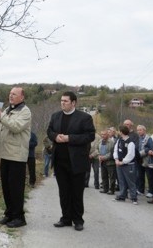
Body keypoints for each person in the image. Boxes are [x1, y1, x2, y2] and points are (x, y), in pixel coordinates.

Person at [47, 91, 96, 231]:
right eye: (61, 100)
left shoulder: (84, 118)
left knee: (76, 192)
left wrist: (70, 138)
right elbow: (49, 131)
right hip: (60, 161)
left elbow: (90, 136)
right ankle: (66, 218)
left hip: (76, 162)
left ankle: (78, 219)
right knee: (64, 191)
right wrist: (55, 137)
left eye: (66, 101)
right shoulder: (55, 116)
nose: (62, 103)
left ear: (74, 103)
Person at [0, 87, 31, 228]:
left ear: (22, 97)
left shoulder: (25, 111)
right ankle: (9, 215)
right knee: (6, 187)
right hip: (5, 154)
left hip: (17, 156)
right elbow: (2, 127)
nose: (11, 96)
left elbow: (16, 127)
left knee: (16, 188)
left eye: (14, 94)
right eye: (10, 93)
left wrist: (0, 115)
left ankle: (19, 217)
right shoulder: (8, 109)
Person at [113, 125, 138, 205]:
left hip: (128, 165)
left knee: (130, 181)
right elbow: (115, 150)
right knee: (121, 181)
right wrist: (116, 159)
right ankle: (122, 196)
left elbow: (131, 155)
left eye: (119, 131)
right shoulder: (119, 140)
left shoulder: (130, 142)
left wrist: (123, 162)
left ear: (121, 132)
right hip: (119, 164)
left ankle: (134, 197)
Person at [97, 129, 116, 195]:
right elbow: (97, 149)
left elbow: (111, 153)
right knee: (104, 176)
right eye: (101, 134)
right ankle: (105, 189)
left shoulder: (111, 142)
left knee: (111, 177)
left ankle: (111, 190)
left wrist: (103, 157)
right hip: (102, 162)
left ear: (107, 135)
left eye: (104, 134)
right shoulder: (100, 141)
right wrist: (99, 156)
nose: (103, 136)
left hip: (110, 162)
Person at [136, 125, 151, 196]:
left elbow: (148, 148)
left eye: (140, 130)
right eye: (138, 130)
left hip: (147, 159)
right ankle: (140, 190)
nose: (139, 131)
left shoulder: (149, 138)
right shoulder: (138, 138)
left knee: (149, 176)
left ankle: (151, 191)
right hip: (139, 160)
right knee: (140, 175)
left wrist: (139, 154)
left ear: (144, 130)